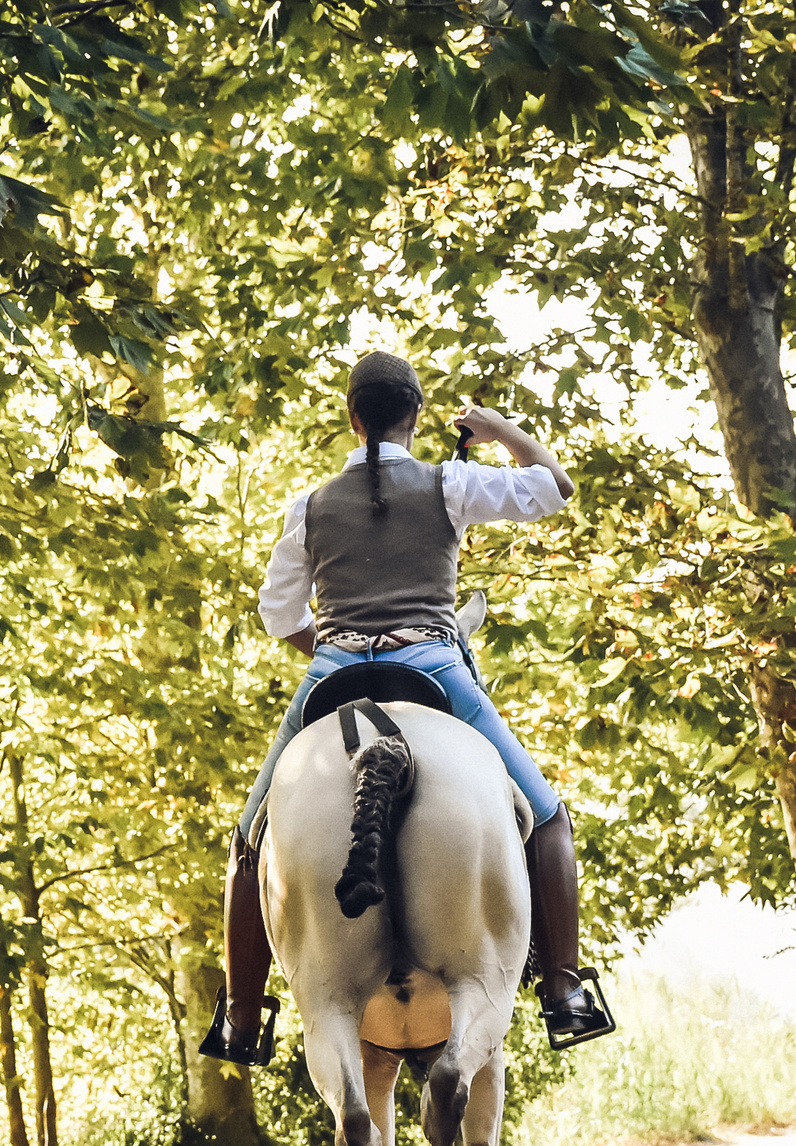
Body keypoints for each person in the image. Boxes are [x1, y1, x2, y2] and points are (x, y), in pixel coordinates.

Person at [198, 350, 618, 1064]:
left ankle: (242, 1015)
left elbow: (277, 614)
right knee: (546, 814)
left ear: (351, 418)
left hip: (331, 668)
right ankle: (564, 990)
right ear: (415, 420)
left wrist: (336, 645)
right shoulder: (449, 484)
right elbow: (554, 487)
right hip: (432, 664)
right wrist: (498, 429)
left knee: (248, 836)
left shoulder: (310, 504)